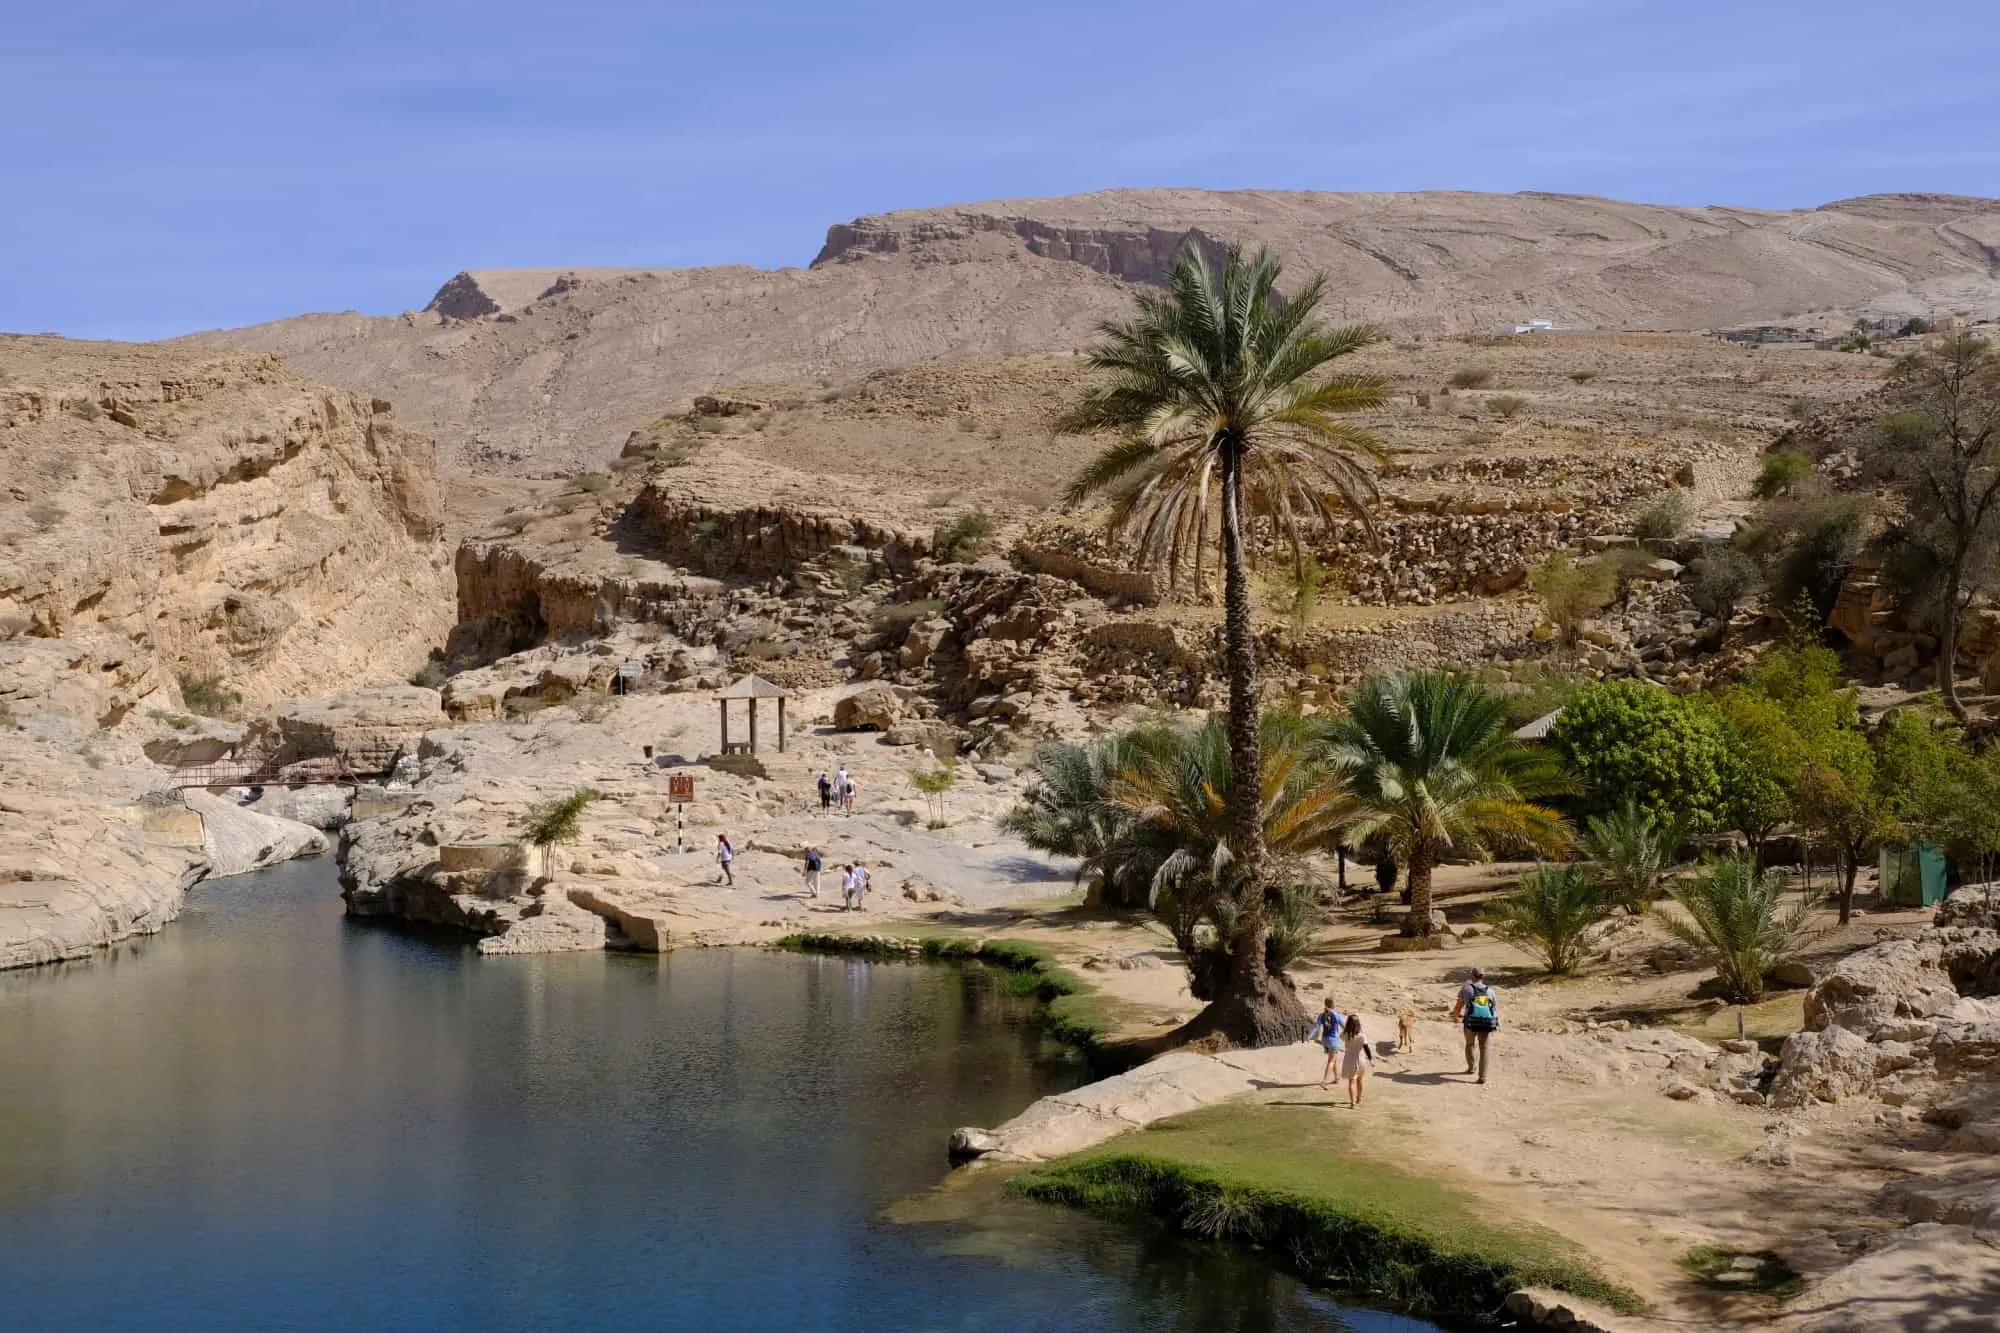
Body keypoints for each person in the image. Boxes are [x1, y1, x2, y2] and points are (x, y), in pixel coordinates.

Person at [1452, 967, 1499, 1084]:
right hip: (1486, 1024)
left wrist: (1455, 1016)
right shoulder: (1491, 991)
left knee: (1469, 1044)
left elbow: (1459, 1006)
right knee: (1484, 1049)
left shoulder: (1466, 989)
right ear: (1483, 977)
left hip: (1470, 1023)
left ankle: (1471, 1068)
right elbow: (1493, 1009)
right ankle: (1482, 1077)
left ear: (1472, 976)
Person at [1304, 997, 1346, 1089]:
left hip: (1324, 1040)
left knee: (1333, 1058)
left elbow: (1316, 1028)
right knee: (1331, 1061)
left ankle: (1336, 1078)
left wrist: (1309, 1036)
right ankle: (1325, 1081)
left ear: (1325, 1004)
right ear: (1333, 1005)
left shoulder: (1321, 1015)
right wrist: (1343, 1036)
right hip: (1333, 1041)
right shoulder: (1337, 1015)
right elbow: (1345, 1027)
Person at [1341, 1014, 1372, 1108]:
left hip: (1349, 1059)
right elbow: (1367, 1048)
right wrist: (1370, 1058)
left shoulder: (1344, 1035)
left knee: (1352, 1081)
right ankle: (1358, 1098)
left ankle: (1352, 1103)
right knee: (1360, 1079)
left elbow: (1342, 1037)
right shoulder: (1362, 1036)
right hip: (1361, 1058)